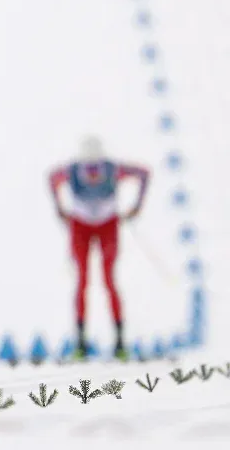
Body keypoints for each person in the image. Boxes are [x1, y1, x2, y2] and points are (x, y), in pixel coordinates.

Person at [48, 136, 149, 361]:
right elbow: (52, 178)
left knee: (109, 280)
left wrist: (137, 207)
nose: (93, 174)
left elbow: (144, 173)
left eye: (96, 168)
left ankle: (120, 342)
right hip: (80, 226)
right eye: (88, 168)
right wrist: (59, 209)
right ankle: (80, 343)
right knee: (82, 280)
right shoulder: (71, 171)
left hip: (107, 225)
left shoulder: (114, 169)